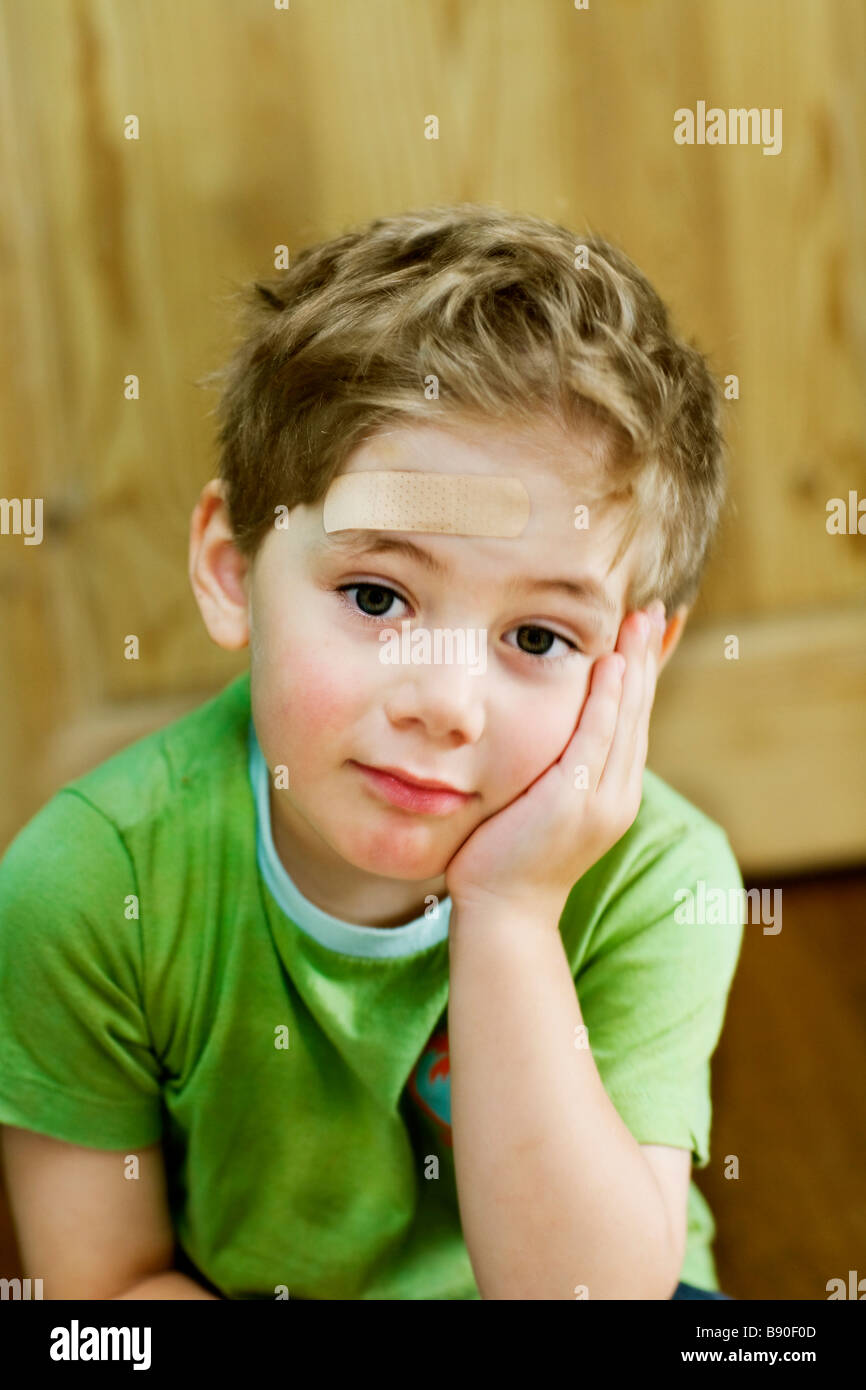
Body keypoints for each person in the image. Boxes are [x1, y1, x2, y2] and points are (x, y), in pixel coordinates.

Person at [0, 205, 743, 1300]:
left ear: (638, 653)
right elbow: (105, 1299)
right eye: (376, 594)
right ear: (227, 565)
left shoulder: (661, 877)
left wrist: (508, 910)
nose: (445, 701)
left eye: (536, 636)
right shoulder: (87, 882)